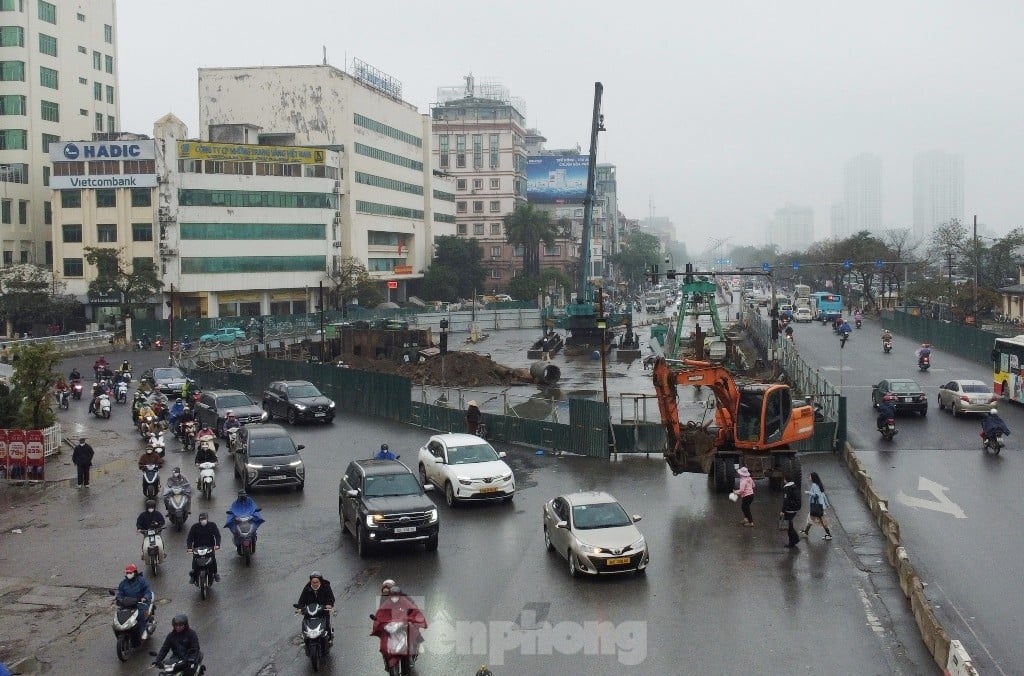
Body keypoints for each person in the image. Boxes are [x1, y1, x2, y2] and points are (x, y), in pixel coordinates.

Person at [371, 579, 427, 670]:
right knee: (384, 641)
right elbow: (381, 612)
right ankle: (386, 660)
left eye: (388, 590)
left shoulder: (404, 598)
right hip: (391, 624)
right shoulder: (383, 599)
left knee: (413, 631)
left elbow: (413, 607)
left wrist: (412, 617)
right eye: (384, 591)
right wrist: (380, 621)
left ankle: (412, 654)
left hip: (403, 622)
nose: (386, 593)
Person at [115, 563, 154, 645]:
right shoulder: (123, 583)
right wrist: (119, 599)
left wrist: (145, 598)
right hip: (127, 604)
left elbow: (147, 591)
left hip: (140, 603)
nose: (129, 574)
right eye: (127, 573)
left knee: (140, 616)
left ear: (135, 572)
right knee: (119, 616)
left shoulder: (142, 581)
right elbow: (120, 593)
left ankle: (142, 632)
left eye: (130, 573)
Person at [295, 571, 335, 642]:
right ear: (311, 581)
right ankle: (305, 639)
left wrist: (329, 604)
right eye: (313, 582)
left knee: (327, 624)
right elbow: (301, 600)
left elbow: (331, 597)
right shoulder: (307, 589)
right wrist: (300, 608)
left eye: (317, 582)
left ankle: (329, 638)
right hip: (310, 612)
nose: (315, 584)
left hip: (322, 611)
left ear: (320, 581)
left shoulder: (326, 587)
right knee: (304, 623)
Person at [186, 512, 221, 583]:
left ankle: (215, 573)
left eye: (204, 519)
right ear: (199, 520)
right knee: (195, 560)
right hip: (197, 548)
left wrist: (217, 545)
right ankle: (193, 575)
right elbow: (189, 538)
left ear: (207, 519)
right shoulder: (194, 527)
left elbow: (217, 536)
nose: (203, 520)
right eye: (201, 519)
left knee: (213, 559)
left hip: (209, 548)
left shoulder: (212, 525)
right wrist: (189, 548)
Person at [800, 472, 833, 540]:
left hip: (816, 506)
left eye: (810, 476)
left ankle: (828, 534)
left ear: (813, 478)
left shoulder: (814, 485)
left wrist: (808, 492)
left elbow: (816, 495)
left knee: (821, 520)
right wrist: (826, 504)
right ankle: (806, 532)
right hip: (819, 506)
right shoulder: (818, 484)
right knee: (811, 518)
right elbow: (822, 495)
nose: (809, 477)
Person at [780, 478, 802, 549]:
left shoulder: (787, 488)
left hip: (789, 509)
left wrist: (782, 511)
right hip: (795, 508)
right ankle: (795, 539)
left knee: (788, 526)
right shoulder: (795, 486)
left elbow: (785, 501)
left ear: (785, 480)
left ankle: (792, 541)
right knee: (790, 524)